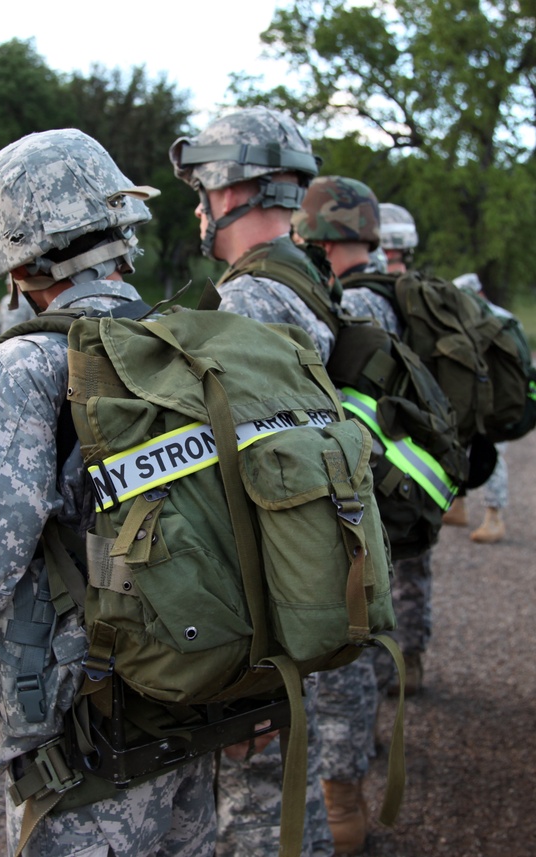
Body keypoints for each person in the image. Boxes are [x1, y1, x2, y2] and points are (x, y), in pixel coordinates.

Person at [0, 129, 218, 857]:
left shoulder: (30, 362)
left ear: (14, 253)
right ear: (119, 228)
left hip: (85, 734)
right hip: (194, 693)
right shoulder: (185, 339)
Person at [169, 106, 333, 857]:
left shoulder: (250, 301)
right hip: (311, 577)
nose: (198, 209)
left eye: (201, 191)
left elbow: (249, 484)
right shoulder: (303, 276)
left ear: (230, 190)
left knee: (262, 803)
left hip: (272, 604)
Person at [290, 175, 406, 854]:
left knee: (342, 653)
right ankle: (352, 777)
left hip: (351, 486)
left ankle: (342, 803)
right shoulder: (386, 292)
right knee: (360, 641)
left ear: (325, 236)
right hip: (380, 481)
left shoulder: (356, 299)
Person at [450, 272, 511, 543]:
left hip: (498, 401)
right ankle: (457, 506)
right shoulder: (477, 317)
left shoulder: (497, 320)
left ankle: (494, 518)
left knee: (491, 455)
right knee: (459, 447)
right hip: (476, 398)